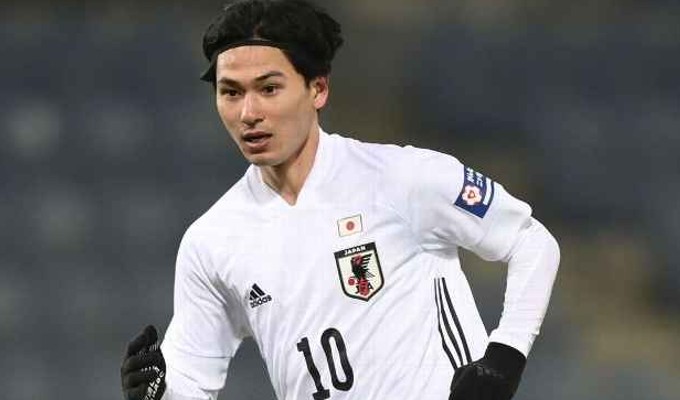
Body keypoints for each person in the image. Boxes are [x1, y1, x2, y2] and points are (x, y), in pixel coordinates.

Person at [120, 1, 560, 399]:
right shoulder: (212, 241)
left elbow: (532, 242)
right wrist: (158, 391)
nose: (248, 113)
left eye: (268, 89)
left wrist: (504, 358)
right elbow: (193, 382)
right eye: (231, 92)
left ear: (318, 89)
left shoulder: (402, 178)